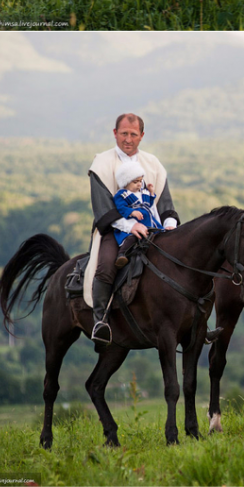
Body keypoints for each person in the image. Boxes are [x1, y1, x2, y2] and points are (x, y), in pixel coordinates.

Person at [85, 112, 180, 339]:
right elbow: (103, 210)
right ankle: (100, 322)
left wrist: (170, 225)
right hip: (114, 230)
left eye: (133, 134)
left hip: (153, 227)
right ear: (115, 134)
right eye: (124, 133)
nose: (128, 139)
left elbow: (165, 203)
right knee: (106, 266)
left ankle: (193, 320)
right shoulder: (101, 164)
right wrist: (130, 226)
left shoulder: (153, 164)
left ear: (142, 136)